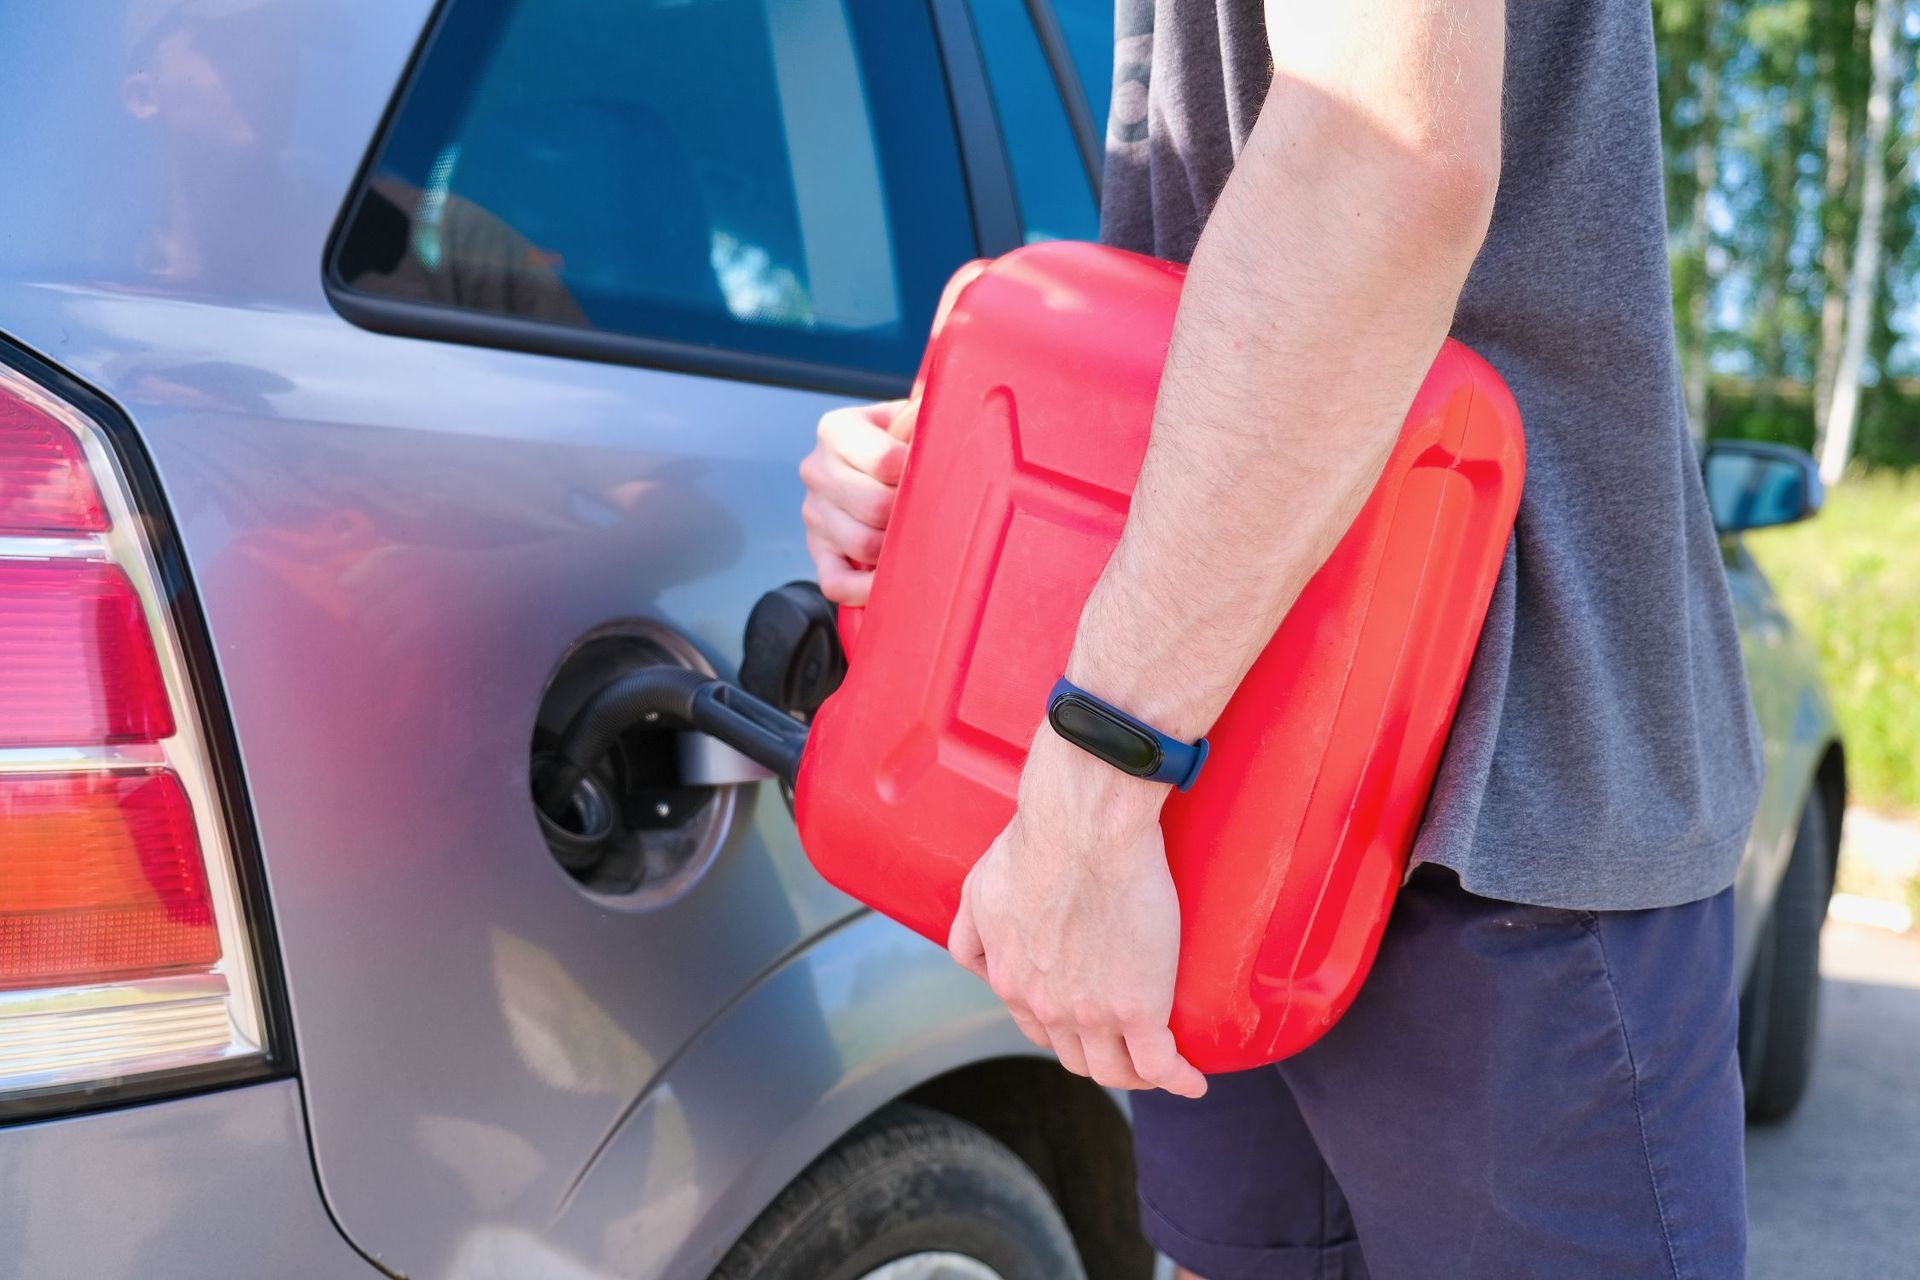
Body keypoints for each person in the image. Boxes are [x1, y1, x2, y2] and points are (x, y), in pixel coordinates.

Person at [799, 2, 1763, 1276]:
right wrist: (947, 482)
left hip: (1468, 795)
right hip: (1220, 811)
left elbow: (1384, 155)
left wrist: (1098, 781)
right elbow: (1201, 305)